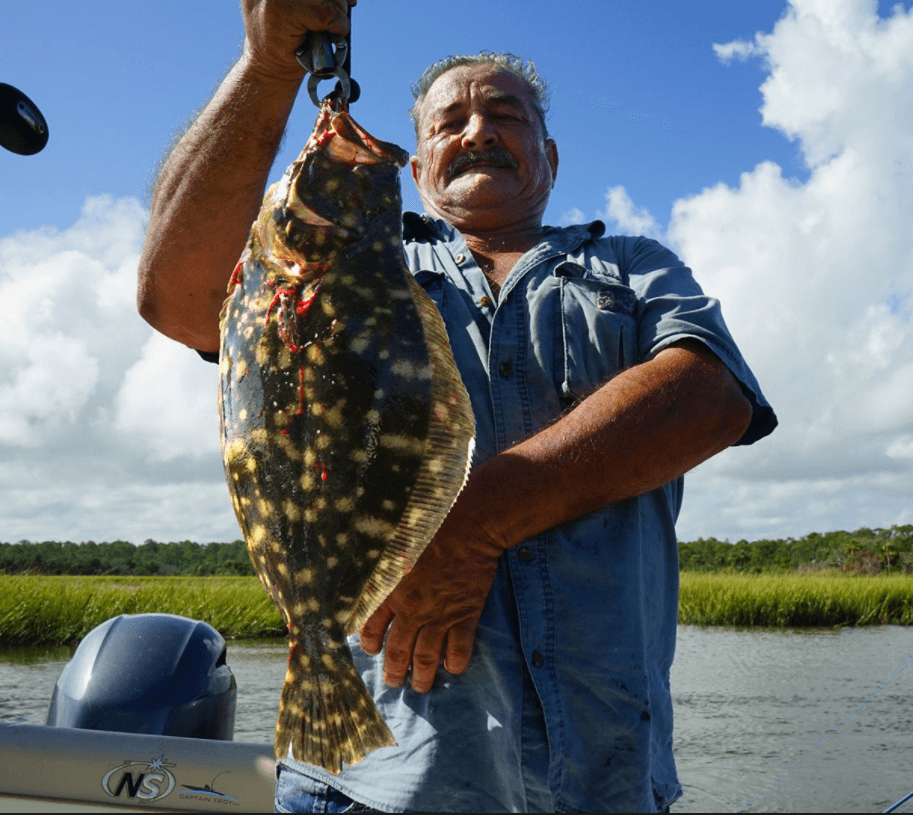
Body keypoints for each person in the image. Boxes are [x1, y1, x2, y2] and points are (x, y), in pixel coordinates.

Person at [137, 1, 777, 811]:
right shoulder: (347, 269)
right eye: (449, 121)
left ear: (548, 155)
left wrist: (470, 527)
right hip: (371, 784)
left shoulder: (628, 267)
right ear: (416, 169)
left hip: (606, 782)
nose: (477, 130)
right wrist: (267, 69)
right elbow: (183, 299)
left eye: (504, 115)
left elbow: (709, 396)